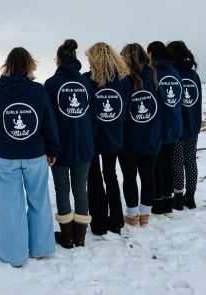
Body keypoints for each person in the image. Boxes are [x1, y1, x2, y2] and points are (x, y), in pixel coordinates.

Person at [0, 47, 60, 267]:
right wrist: (52, 149)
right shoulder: (38, 90)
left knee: (9, 206)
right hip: (34, 154)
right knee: (39, 200)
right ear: (29, 65)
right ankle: (41, 248)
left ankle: (14, 254)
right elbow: (48, 123)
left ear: (8, 64)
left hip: (6, 155)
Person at [44, 39, 93, 248]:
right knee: (81, 188)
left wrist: (49, 147)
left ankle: (68, 236)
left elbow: (48, 120)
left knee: (62, 189)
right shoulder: (85, 83)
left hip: (60, 147)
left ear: (59, 60)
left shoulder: (51, 84)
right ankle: (80, 236)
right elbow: (94, 116)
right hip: (84, 144)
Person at [84, 42, 131, 235]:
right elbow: (126, 109)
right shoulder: (124, 80)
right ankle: (117, 220)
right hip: (114, 136)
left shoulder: (87, 79)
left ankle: (99, 223)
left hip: (92, 137)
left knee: (94, 179)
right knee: (110, 176)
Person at [119, 43, 163, 227]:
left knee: (129, 178)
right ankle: (145, 215)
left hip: (129, 140)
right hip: (151, 138)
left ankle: (132, 216)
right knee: (148, 176)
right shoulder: (154, 76)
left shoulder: (124, 80)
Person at [147, 41, 183, 218]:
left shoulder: (156, 73)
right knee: (167, 165)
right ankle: (168, 205)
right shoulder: (174, 72)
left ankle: (158, 204)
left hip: (160, 127)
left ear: (152, 54)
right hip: (174, 125)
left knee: (157, 166)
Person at [167, 41, 202, 210]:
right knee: (190, 161)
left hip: (178, 126)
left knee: (177, 162)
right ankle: (192, 197)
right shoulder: (194, 75)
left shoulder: (174, 74)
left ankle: (179, 198)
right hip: (193, 125)